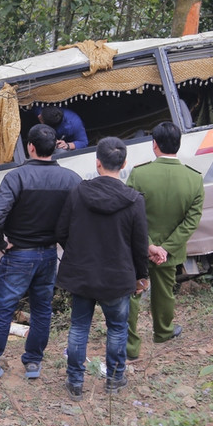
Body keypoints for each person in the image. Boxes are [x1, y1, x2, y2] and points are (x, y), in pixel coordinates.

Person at [0, 124, 81, 380]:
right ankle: (33, 362)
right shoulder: (71, 179)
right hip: (49, 255)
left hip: (19, 256)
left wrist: (0, 244)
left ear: (30, 147)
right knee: (41, 310)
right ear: (54, 148)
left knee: (3, 310)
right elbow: (79, 218)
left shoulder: (17, 177)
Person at [55, 137, 149, 401]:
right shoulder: (134, 200)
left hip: (82, 274)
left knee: (78, 327)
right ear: (124, 164)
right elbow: (140, 245)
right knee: (117, 328)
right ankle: (115, 379)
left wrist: (77, 253)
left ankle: (75, 383)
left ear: (97, 163)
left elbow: (61, 231)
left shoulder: (78, 193)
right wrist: (141, 275)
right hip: (118, 277)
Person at [126, 122, 204, 359]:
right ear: (178, 145)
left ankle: (130, 345)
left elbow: (129, 213)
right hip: (169, 253)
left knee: (132, 293)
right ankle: (163, 332)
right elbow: (191, 221)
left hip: (139, 248)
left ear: (154, 145)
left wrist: (148, 244)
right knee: (165, 292)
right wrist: (166, 249)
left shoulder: (139, 174)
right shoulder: (194, 179)